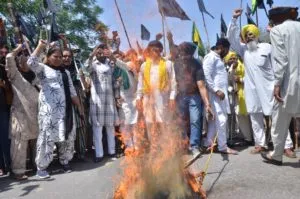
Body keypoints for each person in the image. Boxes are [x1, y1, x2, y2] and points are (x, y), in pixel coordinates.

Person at [227, 9, 295, 156]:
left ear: (257, 35)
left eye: (251, 34)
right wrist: (233, 19)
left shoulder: (268, 47)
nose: (248, 37)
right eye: (246, 35)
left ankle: (286, 146)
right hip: (251, 89)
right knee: (255, 116)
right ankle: (260, 144)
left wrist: (279, 84)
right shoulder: (243, 50)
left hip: (269, 87)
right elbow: (231, 38)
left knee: (277, 116)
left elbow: (279, 65)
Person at [27, 40, 83, 178]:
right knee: (47, 137)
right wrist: (40, 46)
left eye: (60, 57)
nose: (58, 59)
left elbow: (72, 92)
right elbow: (30, 62)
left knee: (67, 136)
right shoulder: (43, 69)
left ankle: (65, 161)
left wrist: (80, 108)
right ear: (49, 57)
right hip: (49, 112)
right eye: (55, 57)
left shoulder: (66, 72)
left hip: (66, 111)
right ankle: (41, 167)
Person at [261, 7, 300, 165]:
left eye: (272, 19)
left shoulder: (277, 31)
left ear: (277, 18)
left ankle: (276, 155)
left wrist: (277, 84)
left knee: (279, 118)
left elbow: (281, 60)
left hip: (289, 82)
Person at [5, 44, 39, 180]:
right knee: (19, 143)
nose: (24, 59)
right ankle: (18, 171)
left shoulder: (36, 75)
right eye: (21, 58)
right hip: (20, 115)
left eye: (26, 57)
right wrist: (18, 48)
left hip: (36, 113)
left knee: (37, 142)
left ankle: (38, 166)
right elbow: (8, 57)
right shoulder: (15, 75)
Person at [174, 42, 214, 156]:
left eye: (187, 54)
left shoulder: (197, 65)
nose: (184, 56)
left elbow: (201, 86)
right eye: (182, 53)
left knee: (195, 120)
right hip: (180, 96)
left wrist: (207, 104)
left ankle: (194, 146)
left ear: (191, 54)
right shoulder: (176, 64)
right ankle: (183, 145)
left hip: (194, 96)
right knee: (180, 121)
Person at [136, 40, 176, 144]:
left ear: (160, 50)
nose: (153, 52)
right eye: (151, 50)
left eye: (156, 50)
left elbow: (173, 83)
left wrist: (172, 97)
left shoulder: (168, 64)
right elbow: (140, 84)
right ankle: (153, 146)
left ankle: (165, 148)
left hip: (163, 98)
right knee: (149, 123)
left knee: (163, 122)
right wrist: (138, 98)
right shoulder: (144, 66)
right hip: (148, 99)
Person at [84, 44, 119, 163]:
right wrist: (91, 55)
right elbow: (85, 69)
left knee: (110, 127)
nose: (100, 53)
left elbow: (115, 79)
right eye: (97, 51)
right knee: (97, 128)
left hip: (109, 101)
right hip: (97, 101)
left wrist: (117, 96)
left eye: (102, 51)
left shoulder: (110, 63)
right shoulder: (93, 64)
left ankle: (112, 152)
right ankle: (99, 154)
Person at [203, 38, 238, 154]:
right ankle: (223, 146)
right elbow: (206, 75)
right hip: (215, 95)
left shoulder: (218, 59)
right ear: (222, 47)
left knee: (214, 121)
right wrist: (216, 90)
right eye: (227, 50)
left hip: (221, 95)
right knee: (222, 120)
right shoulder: (210, 57)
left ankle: (209, 143)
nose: (227, 53)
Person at [62, 49, 89, 160]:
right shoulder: (59, 69)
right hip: (64, 97)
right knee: (66, 127)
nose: (66, 58)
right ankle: (66, 155)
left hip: (77, 95)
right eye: (64, 56)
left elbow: (85, 86)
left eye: (69, 56)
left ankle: (81, 152)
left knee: (81, 124)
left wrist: (82, 77)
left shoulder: (77, 67)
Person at [224, 51, 253, 145]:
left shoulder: (244, 66)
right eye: (230, 58)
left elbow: (250, 79)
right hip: (235, 96)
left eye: (234, 58)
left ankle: (251, 138)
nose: (233, 60)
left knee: (247, 115)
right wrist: (231, 89)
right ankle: (245, 137)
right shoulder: (228, 69)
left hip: (246, 94)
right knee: (239, 115)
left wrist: (240, 80)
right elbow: (228, 83)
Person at [0, 44, 11, 176]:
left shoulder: (4, 67)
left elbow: (8, 86)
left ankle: (8, 165)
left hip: (3, 107)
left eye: (5, 52)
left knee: (4, 138)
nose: (3, 54)